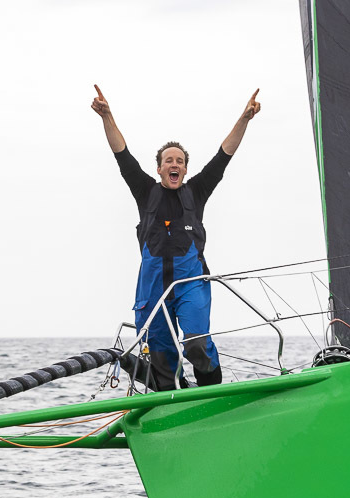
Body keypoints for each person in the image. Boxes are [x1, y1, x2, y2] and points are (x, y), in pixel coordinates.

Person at [91, 84, 261, 390]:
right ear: (159, 169)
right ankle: (173, 396)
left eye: (179, 161)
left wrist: (244, 119)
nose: (174, 164)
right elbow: (122, 155)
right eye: (168, 160)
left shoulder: (196, 191)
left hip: (189, 283)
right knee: (161, 356)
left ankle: (212, 392)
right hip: (153, 287)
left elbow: (224, 155)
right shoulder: (145, 191)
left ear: (185, 169)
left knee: (196, 342)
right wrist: (107, 116)